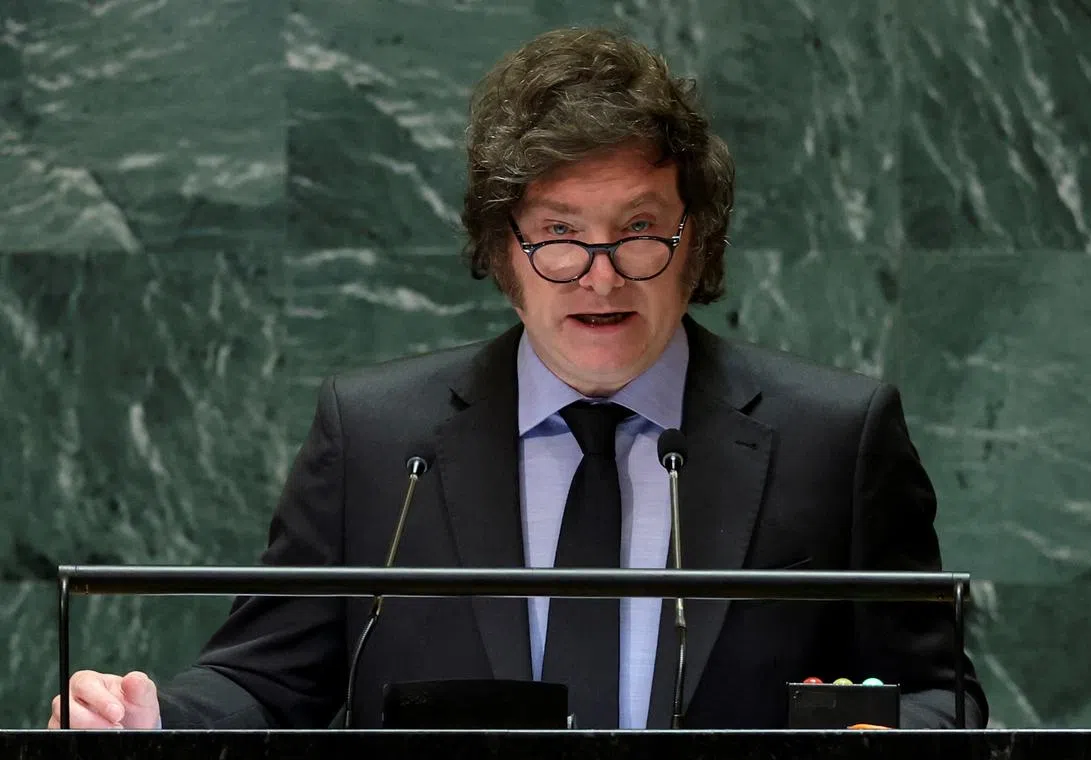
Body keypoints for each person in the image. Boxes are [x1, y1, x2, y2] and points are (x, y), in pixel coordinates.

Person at [48, 27, 987, 731]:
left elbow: (940, 697)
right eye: (560, 235)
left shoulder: (836, 433)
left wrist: (870, 733)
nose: (603, 272)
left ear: (695, 240)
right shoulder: (376, 436)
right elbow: (266, 679)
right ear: (503, 251)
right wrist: (143, 719)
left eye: (640, 229)